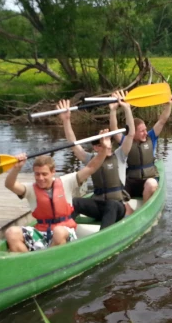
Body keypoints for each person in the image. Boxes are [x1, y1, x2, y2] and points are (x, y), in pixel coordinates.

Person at [3, 138, 110, 252]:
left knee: (59, 231)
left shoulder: (66, 182)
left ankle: (44, 259)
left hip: (65, 231)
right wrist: (16, 168)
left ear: (53, 172)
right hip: (41, 232)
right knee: (11, 233)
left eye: (44, 174)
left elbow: (91, 167)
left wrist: (103, 149)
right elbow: (10, 185)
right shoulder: (30, 189)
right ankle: (29, 262)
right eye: (37, 174)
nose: (40, 178)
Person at [57, 91, 136, 228]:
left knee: (111, 204)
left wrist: (127, 108)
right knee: (75, 201)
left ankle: (103, 238)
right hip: (99, 206)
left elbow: (130, 135)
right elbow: (73, 145)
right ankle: (63, 230)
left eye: (109, 141)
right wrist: (66, 120)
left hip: (117, 207)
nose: (107, 145)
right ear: (96, 148)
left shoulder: (120, 155)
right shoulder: (91, 160)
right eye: (103, 142)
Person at [110, 94, 172, 203]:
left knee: (151, 184)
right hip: (132, 181)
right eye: (142, 131)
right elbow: (114, 129)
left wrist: (169, 105)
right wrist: (113, 110)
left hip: (148, 179)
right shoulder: (126, 141)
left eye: (145, 129)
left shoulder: (151, 137)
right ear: (133, 133)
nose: (145, 133)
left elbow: (162, 120)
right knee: (115, 190)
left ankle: (145, 208)